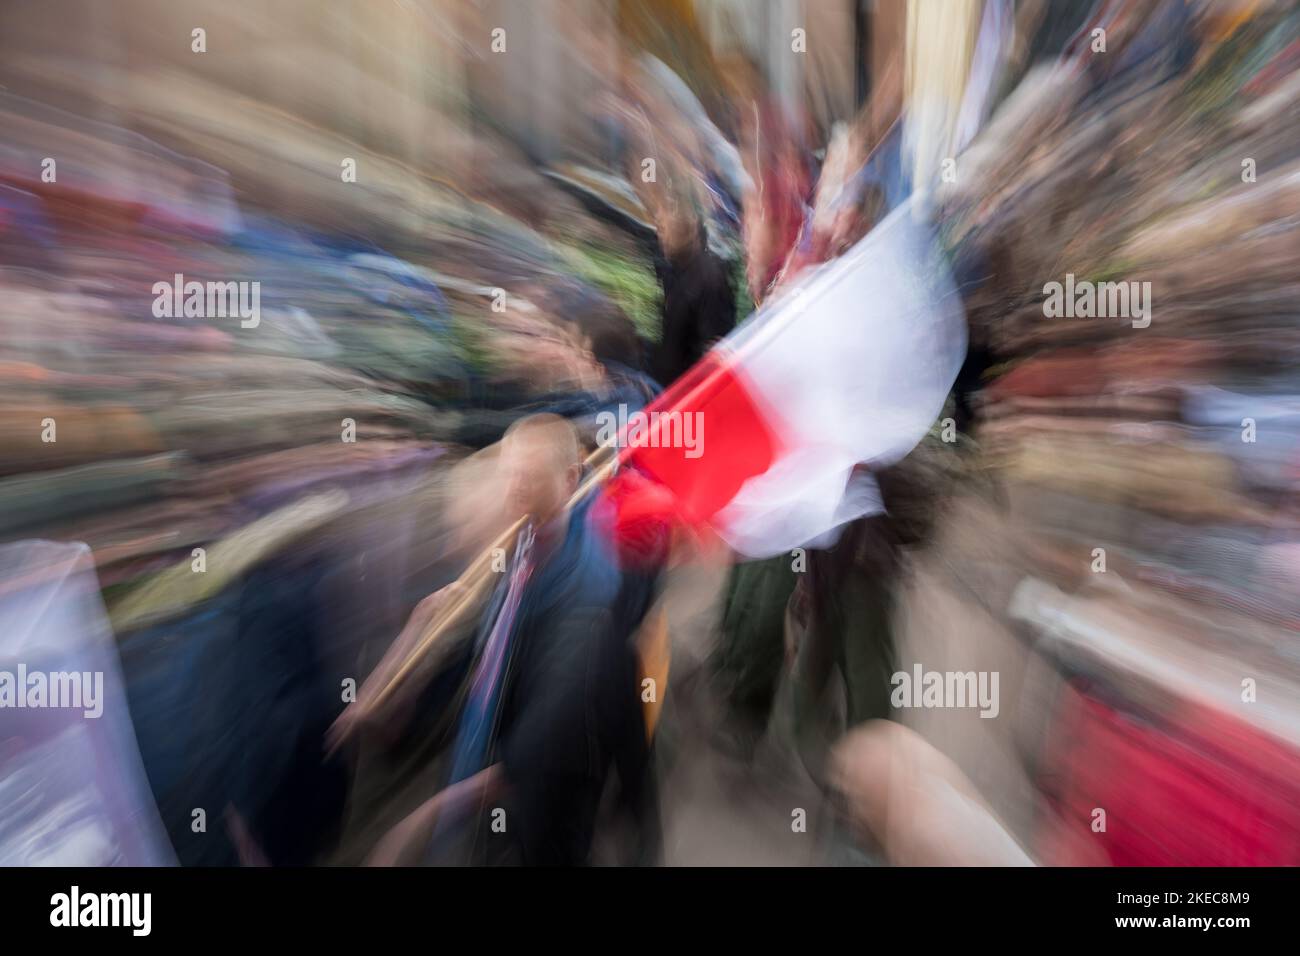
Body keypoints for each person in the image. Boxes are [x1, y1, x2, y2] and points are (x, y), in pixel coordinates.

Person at [363, 414, 654, 865]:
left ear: (570, 478)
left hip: (543, 793)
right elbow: (501, 631)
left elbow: (545, 738)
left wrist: (430, 816)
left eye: (530, 478)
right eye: (511, 474)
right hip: (495, 751)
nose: (514, 488)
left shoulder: (587, 592)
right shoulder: (526, 532)